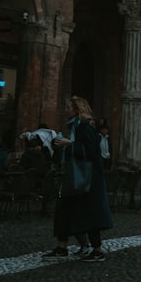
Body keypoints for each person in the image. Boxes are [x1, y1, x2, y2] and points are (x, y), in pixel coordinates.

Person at [42, 96, 113, 262]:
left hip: (87, 178)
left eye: (68, 107)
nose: (65, 110)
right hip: (77, 176)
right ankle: (62, 246)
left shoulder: (85, 127)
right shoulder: (75, 126)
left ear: (76, 110)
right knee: (65, 208)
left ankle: (97, 249)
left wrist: (68, 144)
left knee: (88, 212)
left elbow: (90, 151)